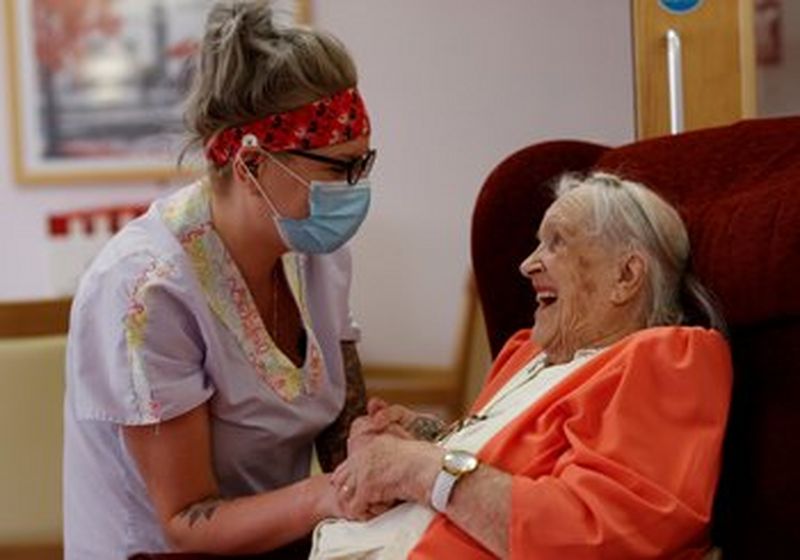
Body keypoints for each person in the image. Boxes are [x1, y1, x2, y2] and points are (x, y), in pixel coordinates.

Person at [62, 1, 376, 557]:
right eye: (336, 169)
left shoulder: (317, 252)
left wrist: (378, 446)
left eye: (362, 164)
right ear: (251, 165)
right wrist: (331, 494)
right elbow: (186, 520)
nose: (353, 191)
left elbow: (340, 433)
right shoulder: (147, 290)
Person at [312, 172, 732, 560]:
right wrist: (422, 437)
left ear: (625, 276)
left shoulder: (667, 357)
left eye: (556, 243)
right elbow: (514, 462)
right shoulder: (529, 354)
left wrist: (416, 467)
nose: (527, 264)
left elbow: (605, 535)